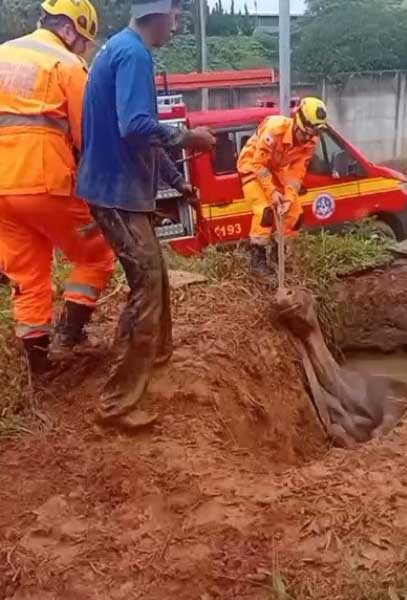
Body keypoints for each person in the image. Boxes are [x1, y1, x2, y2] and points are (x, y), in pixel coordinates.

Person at [76, 0, 216, 426]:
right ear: (157, 14)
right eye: (174, 17)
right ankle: (116, 403)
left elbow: (143, 139)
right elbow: (136, 127)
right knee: (147, 284)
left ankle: (155, 352)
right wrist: (189, 136)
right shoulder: (134, 54)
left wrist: (178, 183)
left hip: (119, 188)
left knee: (156, 275)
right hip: (114, 192)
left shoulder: (121, 48)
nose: (175, 26)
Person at [0, 0, 117, 377]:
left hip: (2, 190)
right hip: (44, 180)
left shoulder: (3, 54)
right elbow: (89, 136)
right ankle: (71, 333)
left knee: (28, 273)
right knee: (97, 253)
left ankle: (39, 366)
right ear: (68, 29)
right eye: (82, 40)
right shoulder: (66, 65)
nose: (82, 48)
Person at [236, 97, 327, 277]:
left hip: (277, 168)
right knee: (265, 212)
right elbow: (259, 165)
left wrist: (289, 196)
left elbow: (296, 172)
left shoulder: (310, 141)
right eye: (305, 134)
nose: (307, 139)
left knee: (295, 213)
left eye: (312, 135)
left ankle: (280, 255)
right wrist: (273, 193)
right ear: (297, 123)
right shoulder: (274, 130)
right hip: (252, 166)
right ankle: (257, 261)